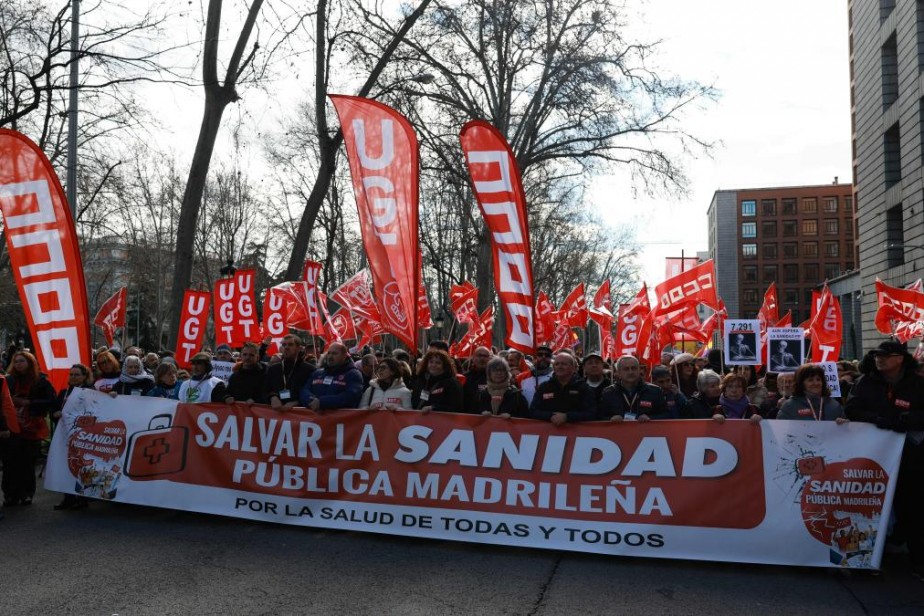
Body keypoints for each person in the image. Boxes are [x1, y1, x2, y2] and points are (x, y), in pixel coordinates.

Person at [845, 340, 924, 578]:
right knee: (864, 508)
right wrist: (876, 418)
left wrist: (904, 420)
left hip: (911, 458)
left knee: (913, 509)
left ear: (899, 358)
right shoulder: (865, 382)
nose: (879, 359)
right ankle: (859, 559)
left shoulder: (918, 384)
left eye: (885, 355)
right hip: (871, 457)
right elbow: (852, 409)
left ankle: (918, 560)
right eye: (877, 355)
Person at [2, 351, 57, 507]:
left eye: (22, 361)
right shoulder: (8, 380)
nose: (19, 364)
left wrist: (29, 402)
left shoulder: (41, 380)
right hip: (12, 427)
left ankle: (26, 494)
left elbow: (50, 400)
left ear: (30, 362)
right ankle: (10, 495)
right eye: (16, 361)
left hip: (31, 426)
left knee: (27, 462)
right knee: (10, 463)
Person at [529, 352, 596, 426]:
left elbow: (592, 413)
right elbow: (533, 411)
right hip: (548, 434)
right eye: (557, 364)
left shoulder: (584, 388)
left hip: (576, 434)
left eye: (564, 364)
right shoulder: (544, 387)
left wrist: (567, 417)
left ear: (573, 367)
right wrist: (550, 416)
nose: (560, 366)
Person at [600, 355, 668, 422]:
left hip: (645, 431)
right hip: (618, 432)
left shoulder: (655, 391)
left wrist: (650, 418)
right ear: (618, 373)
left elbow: (667, 415)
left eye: (634, 368)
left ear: (639, 370)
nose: (630, 372)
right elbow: (600, 417)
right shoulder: (608, 392)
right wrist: (610, 419)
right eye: (626, 369)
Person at [299, 342, 364, 411]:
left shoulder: (353, 374)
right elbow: (304, 390)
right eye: (329, 353)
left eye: (334, 353)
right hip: (314, 420)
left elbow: (350, 397)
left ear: (344, 356)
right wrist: (311, 400)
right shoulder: (317, 373)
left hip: (340, 420)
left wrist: (322, 402)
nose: (330, 356)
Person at [778, 364, 848, 423]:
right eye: (810, 380)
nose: (815, 383)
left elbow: (846, 433)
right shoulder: (790, 406)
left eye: (818, 379)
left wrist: (844, 424)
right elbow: (781, 430)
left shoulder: (834, 405)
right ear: (801, 383)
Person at [265, 334, 315, 411]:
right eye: (284, 345)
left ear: (298, 348)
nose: (286, 347)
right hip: (276, 414)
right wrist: (272, 397)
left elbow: (311, 393)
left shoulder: (309, 369)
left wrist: (296, 402)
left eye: (290, 344)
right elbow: (265, 389)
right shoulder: (273, 369)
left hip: (300, 415)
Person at [462, 346, 492, 413]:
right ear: (473, 358)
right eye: (479, 355)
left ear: (490, 359)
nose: (482, 358)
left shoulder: (495, 378)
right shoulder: (464, 378)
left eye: (485, 356)